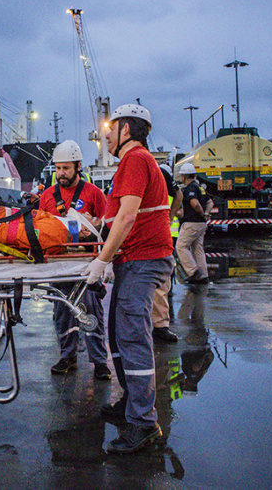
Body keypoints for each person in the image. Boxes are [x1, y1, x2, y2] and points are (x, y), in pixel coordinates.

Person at [83, 104, 174, 454]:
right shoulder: (133, 163)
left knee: (133, 338)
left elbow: (128, 215)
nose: (106, 134)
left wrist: (101, 259)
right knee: (119, 335)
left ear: (128, 130)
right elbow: (116, 215)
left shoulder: (136, 160)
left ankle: (144, 423)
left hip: (143, 260)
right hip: (134, 259)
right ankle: (130, 404)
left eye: (111, 126)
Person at [38, 140, 111, 380]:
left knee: (91, 309)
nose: (61, 174)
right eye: (58, 168)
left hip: (85, 263)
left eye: (66, 168)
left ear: (78, 167)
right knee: (62, 310)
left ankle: (99, 361)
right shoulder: (48, 196)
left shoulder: (93, 193)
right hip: (59, 263)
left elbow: (108, 223)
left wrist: (95, 224)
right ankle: (67, 355)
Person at [151, 164, 182, 342]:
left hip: (161, 234)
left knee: (161, 282)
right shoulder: (125, 171)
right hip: (140, 233)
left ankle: (160, 326)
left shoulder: (160, 173)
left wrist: (169, 218)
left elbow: (178, 194)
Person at [175, 163, 213, 284]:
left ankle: (194, 272)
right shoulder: (200, 187)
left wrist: (202, 214)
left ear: (184, 177)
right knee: (197, 248)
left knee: (181, 246)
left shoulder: (190, 188)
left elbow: (195, 204)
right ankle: (203, 274)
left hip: (192, 223)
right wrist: (206, 214)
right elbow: (210, 202)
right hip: (201, 224)